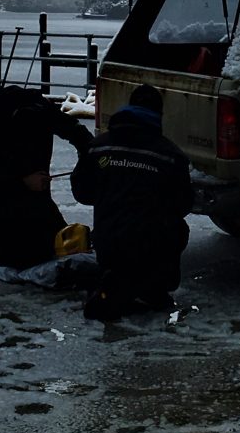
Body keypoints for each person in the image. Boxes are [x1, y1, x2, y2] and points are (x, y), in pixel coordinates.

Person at [71, 83, 194, 320]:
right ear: (159, 115)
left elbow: (82, 193)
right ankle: (152, 287)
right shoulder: (170, 155)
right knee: (178, 229)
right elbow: (183, 205)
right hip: (151, 247)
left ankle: (115, 280)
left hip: (108, 242)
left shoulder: (98, 147)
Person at [0, 84, 93, 271]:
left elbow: (77, 133)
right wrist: (22, 181)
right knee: (29, 252)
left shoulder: (40, 112)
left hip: (30, 201)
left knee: (51, 238)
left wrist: (88, 157)